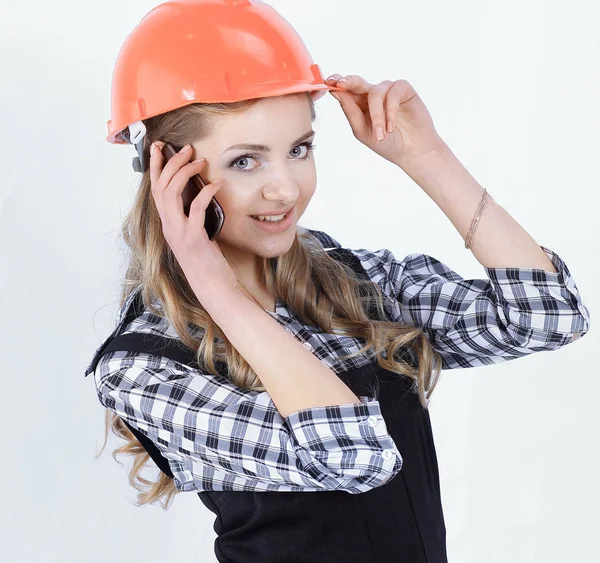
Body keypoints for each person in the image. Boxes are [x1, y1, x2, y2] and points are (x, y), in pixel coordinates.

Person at [83, 1, 591, 562]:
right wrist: (220, 291)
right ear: (168, 175)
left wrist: (427, 157)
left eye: (299, 149)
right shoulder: (146, 366)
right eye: (246, 162)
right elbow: (357, 459)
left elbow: (546, 316)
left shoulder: (353, 282)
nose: (285, 189)